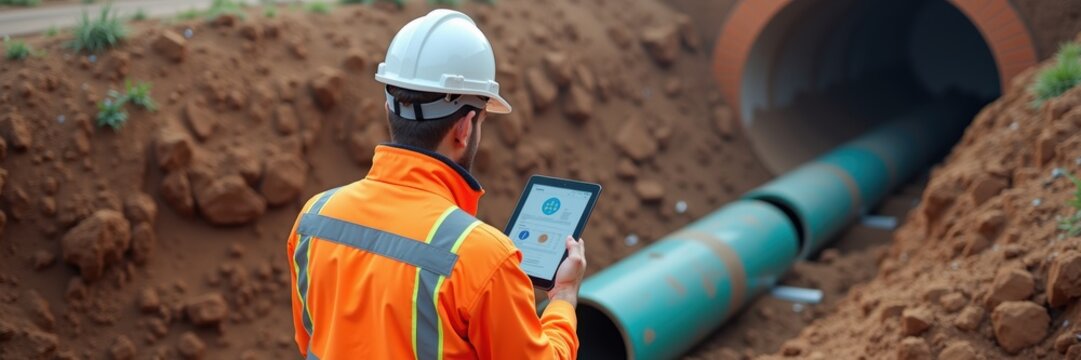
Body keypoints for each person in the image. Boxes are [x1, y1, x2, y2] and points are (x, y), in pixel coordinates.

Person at [286, 9, 586, 360]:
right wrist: (563, 296)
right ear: (465, 127)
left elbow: (311, 341)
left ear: (388, 109)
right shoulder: (483, 258)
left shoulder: (314, 219)